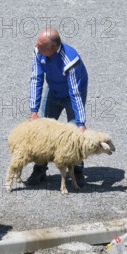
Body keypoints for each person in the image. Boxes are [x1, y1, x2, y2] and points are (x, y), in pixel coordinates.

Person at [26, 28, 89, 186]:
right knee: (44, 131)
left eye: (40, 44)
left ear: (52, 48)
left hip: (72, 93)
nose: (35, 45)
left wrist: (81, 123)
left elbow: (75, 92)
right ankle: (40, 168)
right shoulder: (39, 51)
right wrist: (33, 111)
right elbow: (36, 79)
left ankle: (77, 170)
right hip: (53, 90)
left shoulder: (70, 61)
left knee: (74, 134)